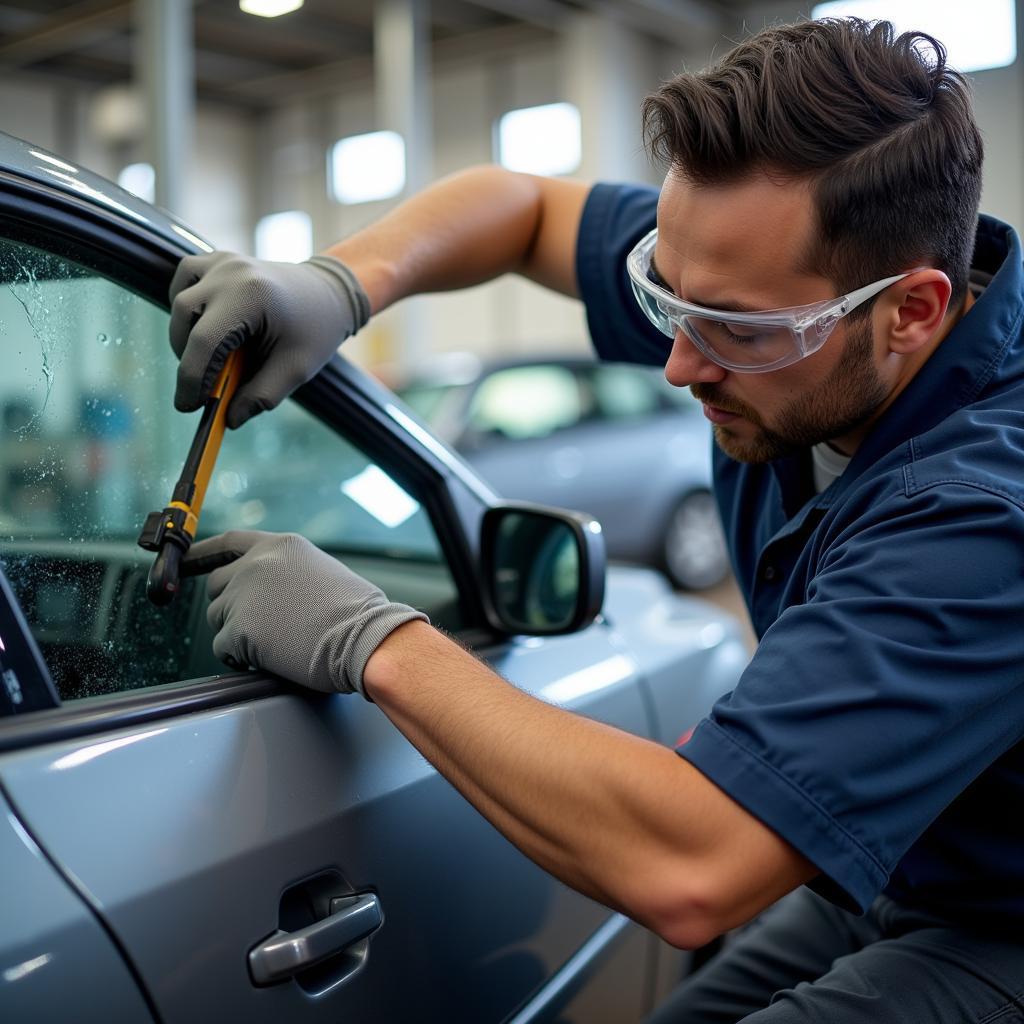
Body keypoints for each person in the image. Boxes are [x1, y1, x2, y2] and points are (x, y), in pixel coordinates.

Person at [172, 18, 1024, 1022]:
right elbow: (524, 208)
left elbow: (691, 861)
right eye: (665, 298)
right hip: (903, 858)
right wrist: (343, 281)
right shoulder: (764, 269)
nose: (679, 364)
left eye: (735, 330)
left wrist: (372, 640)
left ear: (913, 311)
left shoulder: (980, 511)